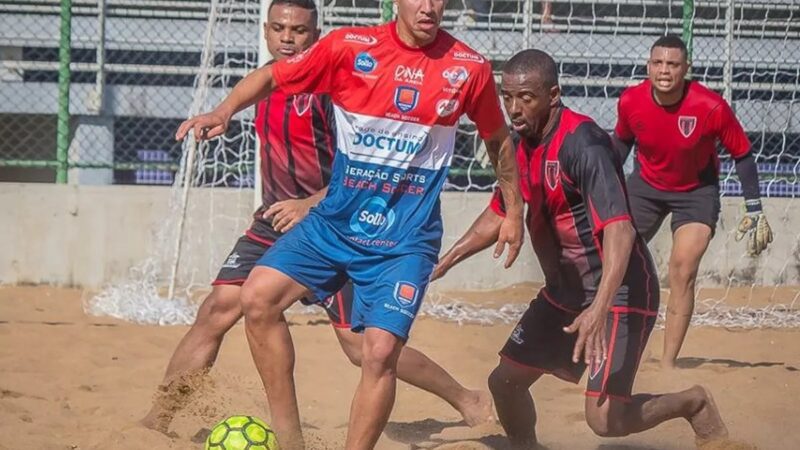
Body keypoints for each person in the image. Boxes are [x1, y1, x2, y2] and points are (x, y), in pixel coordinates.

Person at [175, 0, 525, 447]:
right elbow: (270, 76)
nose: (430, 6)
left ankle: (454, 404)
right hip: (333, 226)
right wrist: (223, 112)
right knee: (256, 298)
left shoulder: (467, 67)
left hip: (403, 240)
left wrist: (514, 210)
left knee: (376, 353)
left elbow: (497, 139)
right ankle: (290, 441)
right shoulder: (348, 48)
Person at [434, 48, 729, 449]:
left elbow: (621, 232)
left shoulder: (584, 142)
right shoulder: (519, 146)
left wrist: (600, 308)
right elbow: (500, 212)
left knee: (606, 420)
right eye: (507, 97)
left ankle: (693, 404)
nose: (514, 109)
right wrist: (443, 263)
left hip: (621, 292)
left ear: (553, 95)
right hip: (564, 294)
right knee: (504, 383)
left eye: (526, 97)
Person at [612, 35, 773, 369]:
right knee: (613, 255)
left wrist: (754, 206)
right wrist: (601, 189)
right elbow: (621, 145)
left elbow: (742, 155)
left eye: (673, 64)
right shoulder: (630, 101)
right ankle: (615, 344)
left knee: (682, 269)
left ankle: (668, 364)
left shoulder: (710, 106)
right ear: (648, 67)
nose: (665, 70)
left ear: (686, 68)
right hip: (645, 186)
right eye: (658, 63)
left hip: (696, 192)